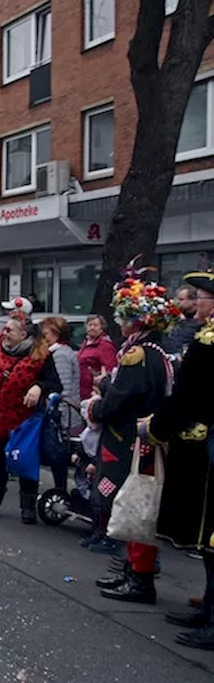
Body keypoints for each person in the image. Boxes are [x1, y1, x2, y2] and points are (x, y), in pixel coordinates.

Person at [87, 267, 176, 602]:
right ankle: (131, 571)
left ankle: (140, 579)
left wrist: (96, 407)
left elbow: (123, 398)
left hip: (133, 441)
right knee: (133, 507)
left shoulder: (139, 353)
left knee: (135, 507)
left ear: (136, 321)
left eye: (124, 316)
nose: (120, 322)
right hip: (139, 439)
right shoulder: (154, 351)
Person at [139, 270, 214, 649]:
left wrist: (156, 429)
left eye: (202, 296)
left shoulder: (209, 342)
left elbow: (188, 395)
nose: (197, 303)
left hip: (204, 443)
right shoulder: (203, 338)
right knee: (205, 538)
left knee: (210, 531)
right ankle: (209, 606)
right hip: (197, 441)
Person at [0, 317, 62, 524]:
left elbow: (55, 383)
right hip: (0, 415)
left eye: (10, 330)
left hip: (26, 419)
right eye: (5, 329)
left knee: (26, 462)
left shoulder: (40, 356)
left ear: (24, 335)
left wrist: (39, 386)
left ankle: (28, 507)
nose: (5, 333)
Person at [40, 316, 82, 493]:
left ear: (56, 333)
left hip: (63, 413)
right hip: (62, 412)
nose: (44, 335)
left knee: (59, 454)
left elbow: (62, 387)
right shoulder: (58, 352)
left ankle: (60, 491)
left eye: (47, 332)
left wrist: (55, 410)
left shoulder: (61, 355)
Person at [78, 314, 118, 401]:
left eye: (95, 325)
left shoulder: (105, 345)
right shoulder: (86, 343)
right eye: (90, 325)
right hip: (83, 390)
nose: (92, 328)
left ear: (102, 328)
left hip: (95, 391)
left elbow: (110, 369)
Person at [165, 284, 200, 356]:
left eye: (181, 299)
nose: (177, 302)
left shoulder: (200, 322)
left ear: (194, 301)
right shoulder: (176, 319)